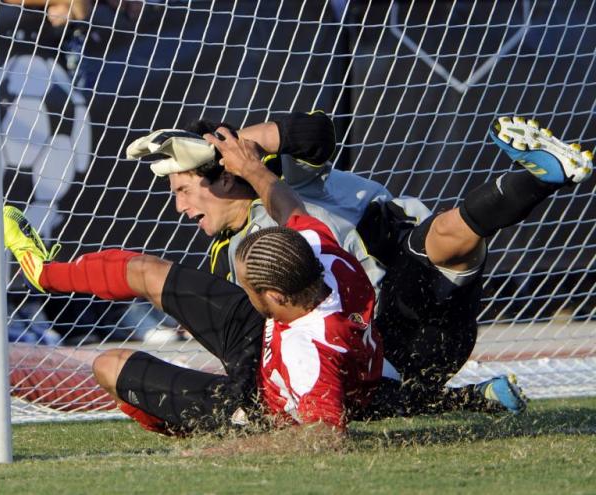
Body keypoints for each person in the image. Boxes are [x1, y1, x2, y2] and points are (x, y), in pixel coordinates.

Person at [129, 113, 593, 417]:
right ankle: (464, 398)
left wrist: (228, 148)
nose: (179, 207)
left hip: (413, 308)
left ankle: (543, 175)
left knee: (441, 242)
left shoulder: (290, 178)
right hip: (381, 354)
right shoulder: (230, 257)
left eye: (183, 189)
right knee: (313, 379)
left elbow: (317, 132)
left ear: (225, 173)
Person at [3, 131, 385, 433]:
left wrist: (224, 450)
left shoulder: (307, 352)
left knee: (110, 365)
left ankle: (209, 426)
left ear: (270, 296)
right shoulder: (320, 249)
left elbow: (323, 436)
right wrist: (251, 166)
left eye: (183, 191)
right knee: (145, 271)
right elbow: (290, 208)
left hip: (257, 399)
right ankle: (45, 273)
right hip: (277, 323)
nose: (180, 207)